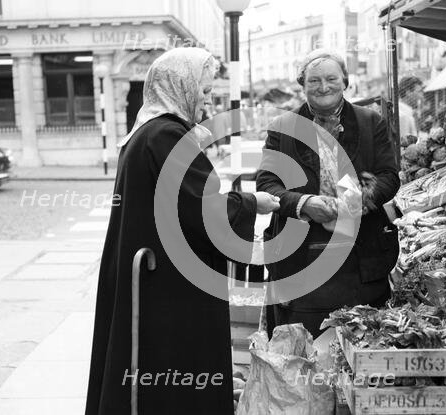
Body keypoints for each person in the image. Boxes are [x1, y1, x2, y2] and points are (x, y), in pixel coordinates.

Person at [85, 47, 279, 415]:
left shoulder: (148, 133)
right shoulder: (167, 137)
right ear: (180, 86)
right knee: (173, 374)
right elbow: (203, 212)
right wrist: (253, 203)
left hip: (153, 276)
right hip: (169, 288)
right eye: (204, 91)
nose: (208, 101)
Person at [257, 49, 400, 339]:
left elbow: (389, 177)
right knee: (303, 354)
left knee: (363, 344)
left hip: (362, 263)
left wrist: (359, 199)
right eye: (314, 81)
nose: (324, 87)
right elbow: (266, 184)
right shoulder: (282, 129)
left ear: (345, 81)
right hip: (301, 265)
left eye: (332, 78)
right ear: (302, 84)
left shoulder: (371, 123)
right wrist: (304, 203)